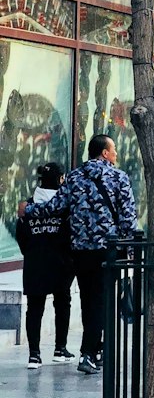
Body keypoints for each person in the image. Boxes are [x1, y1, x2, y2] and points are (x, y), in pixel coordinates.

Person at [20, 135, 137, 374]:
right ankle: (89, 353)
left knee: (88, 300)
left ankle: (93, 348)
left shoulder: (74, 177)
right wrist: (131, 249)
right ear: (104, 152)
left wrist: (28, 210)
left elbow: (54, 207)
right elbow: (128, 219)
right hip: (109, 249)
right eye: (113, 149)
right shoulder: (119, 177)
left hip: (81, 250)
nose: (115, 154)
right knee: (102, 301)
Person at [15, 163, 75, 369]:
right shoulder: (64, 207)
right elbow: (70, 234)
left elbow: (21, 236)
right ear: (60, 180)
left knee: (35, 307)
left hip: (35, 263)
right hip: (61, 262)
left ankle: (34, 355)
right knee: (62, 301)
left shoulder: (27, 207)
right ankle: (60, 349)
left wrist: (32, 253)